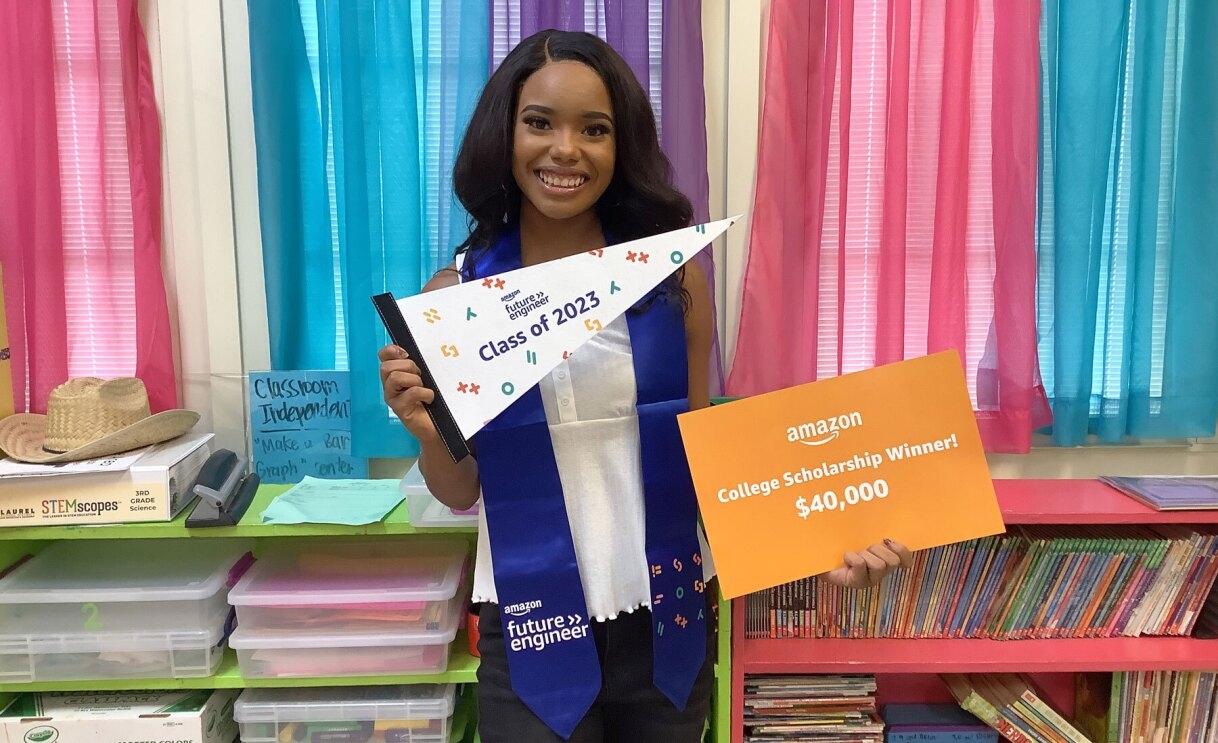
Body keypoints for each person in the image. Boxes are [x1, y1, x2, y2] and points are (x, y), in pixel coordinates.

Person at [379, 29, 913, 743]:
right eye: (539, 122)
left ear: (620, 146)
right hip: (533, 628)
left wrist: (827, 540)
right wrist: (426, 430)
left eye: (593, 129)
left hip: (669, 621)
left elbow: (704, 461)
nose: (565, 149)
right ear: (503, 136)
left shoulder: (672, 280)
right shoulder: (459, 296)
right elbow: (459, 488)